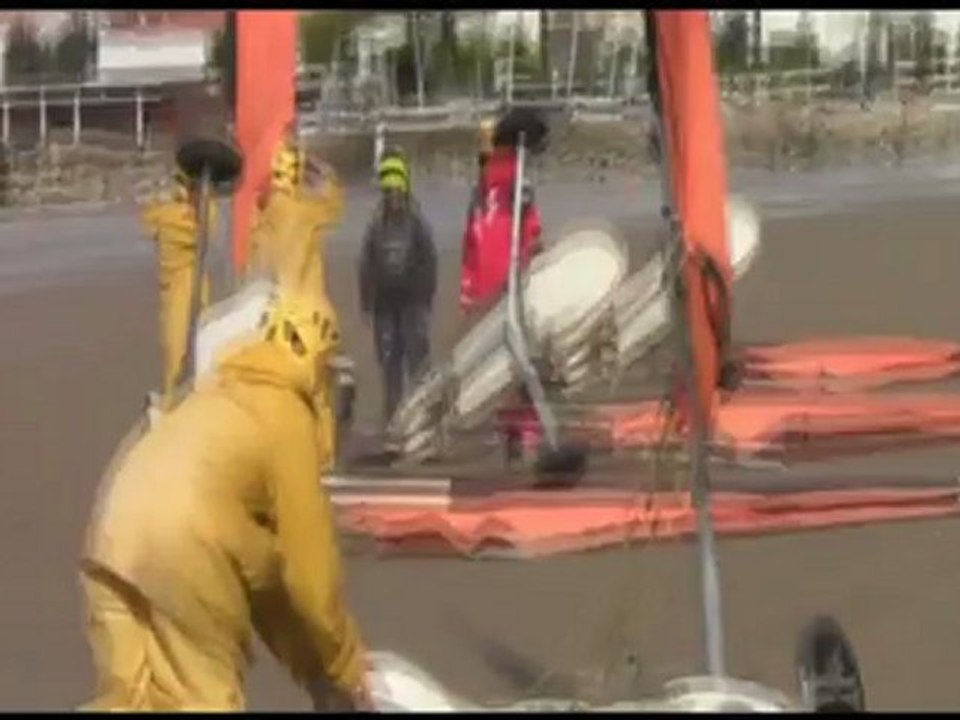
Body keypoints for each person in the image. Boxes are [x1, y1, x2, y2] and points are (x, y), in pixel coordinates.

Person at [79, 290, 371, 711]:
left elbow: (268, 584)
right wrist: (344, 669)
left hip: (110, 530)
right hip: (181, 545)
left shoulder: (211, 391)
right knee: (204, 699)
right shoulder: (286, 415)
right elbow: (309, 581)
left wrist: (312, 671)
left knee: (128, 701)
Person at [247, 136, 349, 472]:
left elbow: (254, 278)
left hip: (276, 322)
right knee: (319, 397)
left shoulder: (261, 225)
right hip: (313, 317)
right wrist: (314, 164)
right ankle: (324, 461)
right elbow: (335, 196)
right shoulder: (308, 212)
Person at [458, 108, 548, 463]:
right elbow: (473, 239)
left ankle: (526, 427)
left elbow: (529, 228)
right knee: (496, 361)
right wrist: (467, 287)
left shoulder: (515, 180)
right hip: (489, 283)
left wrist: (531, 261)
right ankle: (507, 427)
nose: (482, 162)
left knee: (520, 355)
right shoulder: (482, 192)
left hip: (512, 280)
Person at [358, 152, 438, 428]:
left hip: (412, 304)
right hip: (385, 306)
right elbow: (366, 265)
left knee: (417, 363)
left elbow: (429, 261)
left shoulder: (417, 224)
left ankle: (421, 419)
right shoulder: (375, 226)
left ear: (403, 190)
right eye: (387, 191)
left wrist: (426, 298)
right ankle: (393, 420)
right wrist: (367, 303)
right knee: (390, 365)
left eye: (395, 191)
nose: (392, 197)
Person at [141, 164, 218, 410]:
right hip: (179, 288)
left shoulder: (172, 212)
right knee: (179, 349)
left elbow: (149, 222)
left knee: (182, 348)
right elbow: (204, 231)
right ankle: (177, 401)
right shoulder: (183, 215)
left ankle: (180, 401)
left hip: (187, 288)